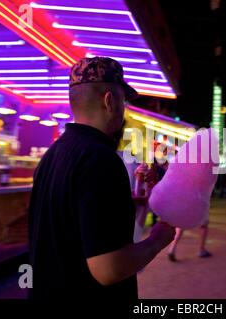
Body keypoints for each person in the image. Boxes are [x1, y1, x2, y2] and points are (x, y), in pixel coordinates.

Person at [28, 57, 175, 299]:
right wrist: (157, 240)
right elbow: (109, 269)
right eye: (123, 100)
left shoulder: (51, 156)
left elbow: (71, 224)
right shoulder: (101, 159)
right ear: (110, 101)